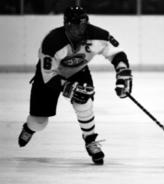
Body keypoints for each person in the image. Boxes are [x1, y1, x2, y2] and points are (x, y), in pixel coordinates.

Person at [18, 5, 132, 165]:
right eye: (77, 25)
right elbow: (48, 75)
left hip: (78, 71)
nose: (81, 29)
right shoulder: (52, 41)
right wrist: (67, 87)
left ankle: (90, 140)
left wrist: (123, 74)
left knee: (84, 100)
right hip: (51, 75)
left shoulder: (99, 35)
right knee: (39, 122)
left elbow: (117, 54)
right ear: (67, 24)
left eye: (84, 24)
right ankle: (29, 128)